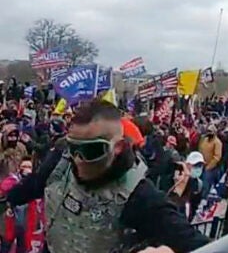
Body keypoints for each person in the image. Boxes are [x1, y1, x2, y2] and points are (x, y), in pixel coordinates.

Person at [1, 100, 209, 253]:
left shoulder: (139, 196)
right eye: (73, 147)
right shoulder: (61, 162)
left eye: (90, 151)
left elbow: (195, 242)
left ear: (117, 147)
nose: (78, 159)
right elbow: (34, 185)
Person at [168, 152, 205, 221]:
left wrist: (189, 219)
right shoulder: (176, 177)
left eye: (200, 166)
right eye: (195, 165)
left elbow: (194, 205)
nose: (198, 168)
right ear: (187, 165)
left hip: (182, 219)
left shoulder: (199, 184)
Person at [199, 124, 223, 198]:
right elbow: (200, 149)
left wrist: (209, 166)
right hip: (201, 165)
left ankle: (204, 199)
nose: (209, 133)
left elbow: (217, 157)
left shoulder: (217, 142)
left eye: (210, 131)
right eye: (208, 131)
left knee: (206, 184)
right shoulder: (204, 139)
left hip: (210, 168)